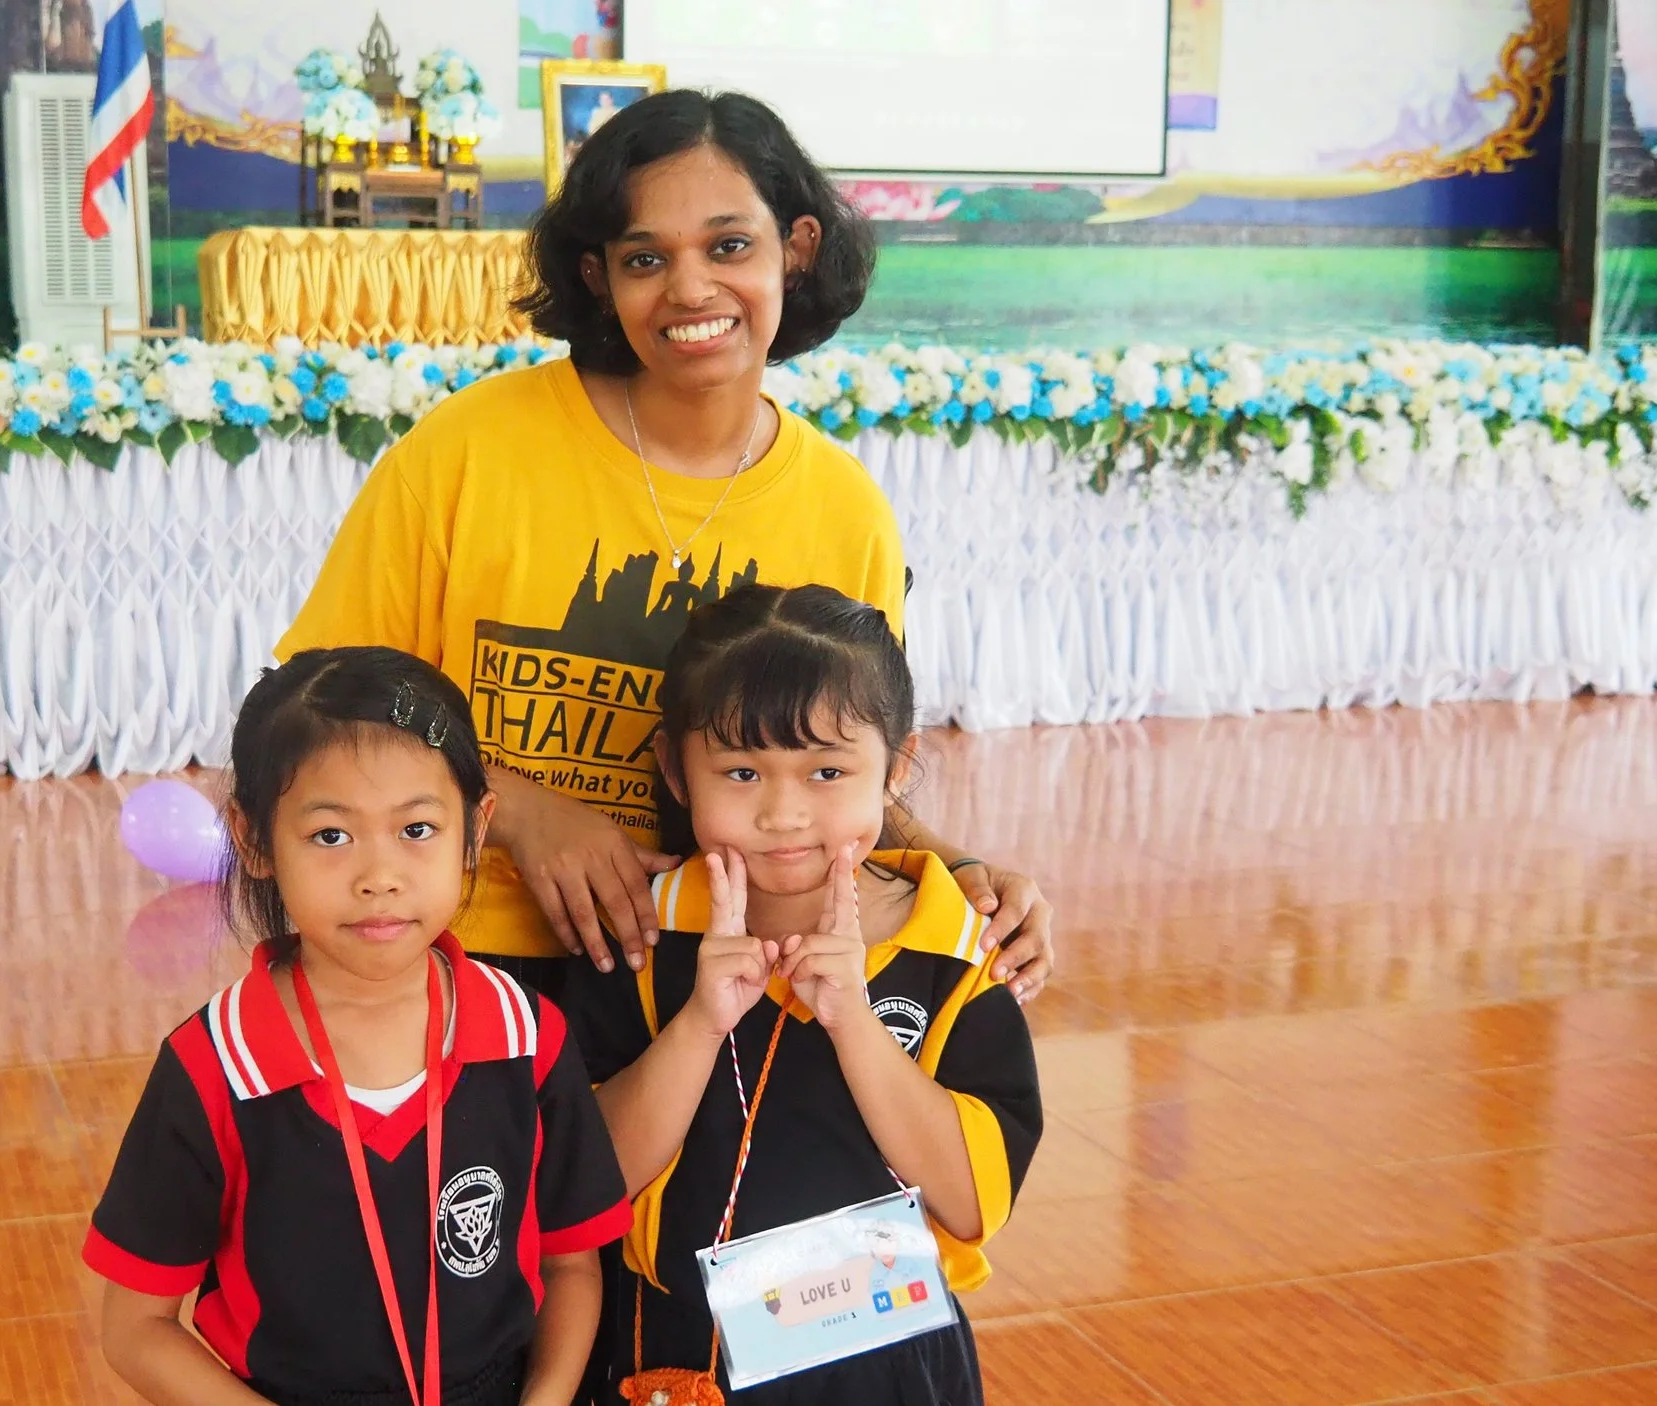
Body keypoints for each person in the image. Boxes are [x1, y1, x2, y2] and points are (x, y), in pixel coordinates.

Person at [277, 89, 1054, 1005]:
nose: (691, 290)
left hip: (713, 976)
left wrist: (959, 868)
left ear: (796, 249)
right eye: (646, 257)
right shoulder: (468, 449)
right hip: (456, 958)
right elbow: (314, 707)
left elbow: (834, 766)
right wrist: (518, 813)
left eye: (730, 246)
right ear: (599, 276)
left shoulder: (844, 511)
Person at [85, 648, 632, 1406]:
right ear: (252, 840)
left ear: (476, 829)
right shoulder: (214, 1065)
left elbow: (573, 1262)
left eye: (416, 829)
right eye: (332, 836)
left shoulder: (526, 1036)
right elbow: (136, 1327)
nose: (380, 876)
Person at [566, 584, 1042, 1404]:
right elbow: (586, 1180)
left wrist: (856, 1022)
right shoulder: (641, 938)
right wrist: (698, 1027)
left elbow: (971, 1205)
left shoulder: (960, 948)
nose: (783, 813)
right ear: (676, 771)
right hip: (678, 1359)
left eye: (828, 770)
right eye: (742, 771)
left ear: (895, 769)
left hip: (888, 1361)